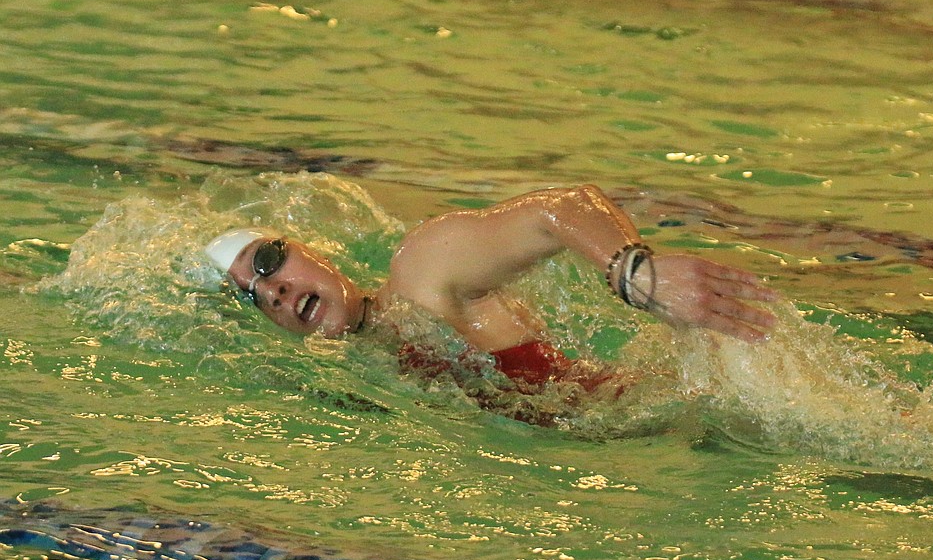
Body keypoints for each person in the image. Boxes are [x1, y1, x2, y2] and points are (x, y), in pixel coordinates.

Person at [205, 184, 777, 387]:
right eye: (250, 294)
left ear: (318, 255)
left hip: (692, 416)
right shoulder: (348, 376)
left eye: (269, 262)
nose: (271, 290)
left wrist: (635, 274)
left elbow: (560, 208)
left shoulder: (422, 274)